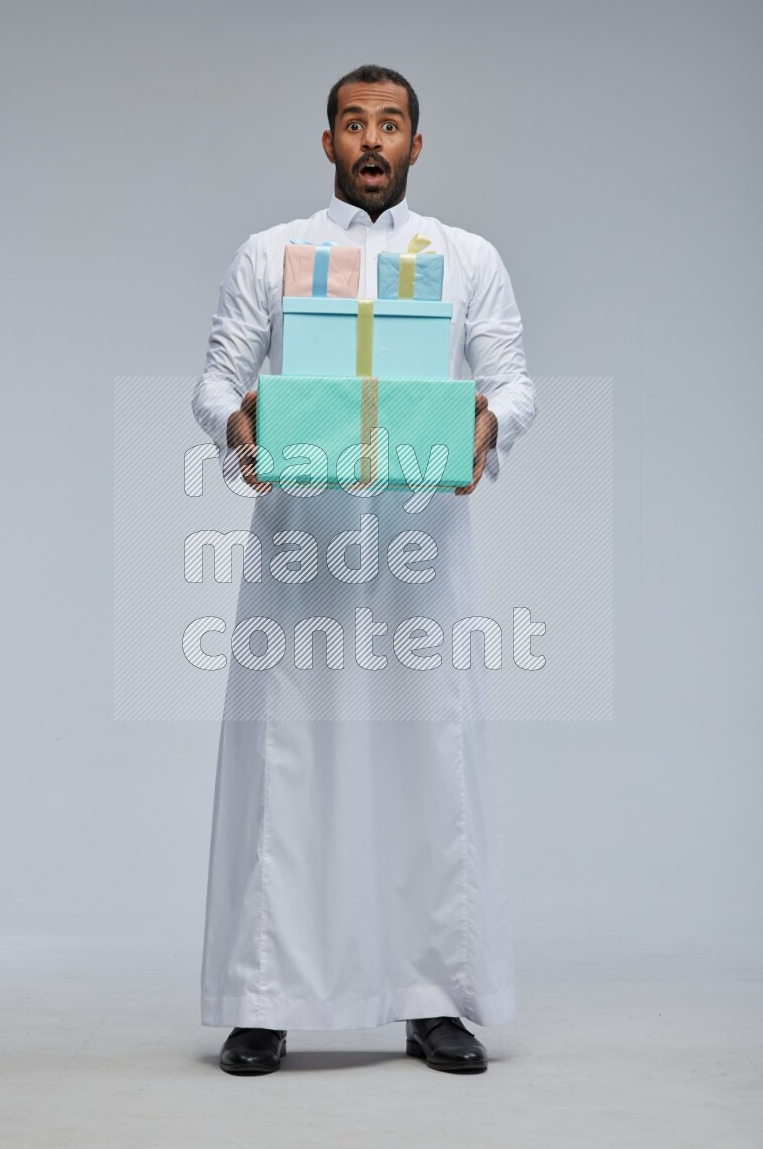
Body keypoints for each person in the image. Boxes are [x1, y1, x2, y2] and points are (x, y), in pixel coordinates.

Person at [191, 64, 537, 1075]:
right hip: (304, 542)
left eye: (391, 124)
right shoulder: (274, 253)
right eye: (354, 123)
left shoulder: (464, 257)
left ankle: (431, 998)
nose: (372, 141)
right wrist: (237, 422)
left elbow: (512, 381)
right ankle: (262, 996)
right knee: (286, 759)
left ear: (417, 145)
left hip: (418, 547)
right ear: (328, 140)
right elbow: (219, 373)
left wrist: (483, 424)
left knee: (424, 756)